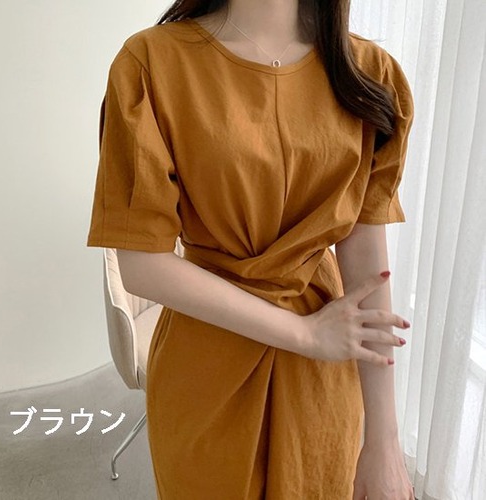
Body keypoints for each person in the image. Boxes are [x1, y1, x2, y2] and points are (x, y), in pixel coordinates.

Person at [86, 0, 416, 498]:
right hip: (209, 363)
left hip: (323, 376)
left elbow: (367, 263)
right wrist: (304, 334)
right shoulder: (150, 62)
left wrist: (384, 442)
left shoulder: (369, 72)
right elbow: (142, 264)